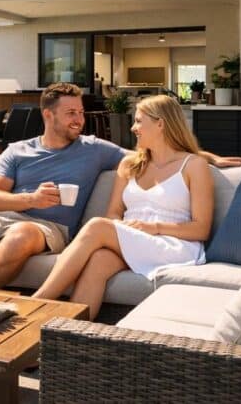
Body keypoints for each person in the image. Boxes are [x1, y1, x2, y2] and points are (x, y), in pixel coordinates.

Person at [0, 84, 241, 292]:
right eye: (71, 113)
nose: (79, 119)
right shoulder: (17, 150)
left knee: (20, 236)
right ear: (48, 115)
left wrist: (210, 157)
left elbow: (161, 153)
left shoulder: (95, 148)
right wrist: (32, 198)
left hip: (45, 227)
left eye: (81, 113)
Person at [31, 95, 213, 318]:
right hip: (133, 238)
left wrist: (152, 227)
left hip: (172, 244)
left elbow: (201, 229)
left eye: (138, 121)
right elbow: (114, 213)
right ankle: (66, 333)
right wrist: (123, 230)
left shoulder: (194, 165)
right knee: (98, 262)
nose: (133, 127)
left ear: (160, 123)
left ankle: (37, 303)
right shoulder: (129, 164)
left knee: (97, 226)